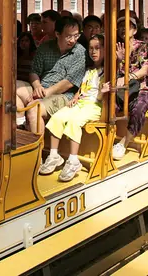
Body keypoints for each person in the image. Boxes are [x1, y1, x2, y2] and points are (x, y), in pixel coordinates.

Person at [40, 34, 110, 181]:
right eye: (91, 48)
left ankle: (73, 160)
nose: (93, 51)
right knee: (58, 117)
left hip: (94, 106)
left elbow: (100, 96)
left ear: (105, 49)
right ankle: (54, 155)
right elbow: (84, 87)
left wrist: (101, 93)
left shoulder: (108, 71)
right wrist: (76, 96)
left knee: (73, 122)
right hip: (80, 104)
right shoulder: (89, 69)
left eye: (98, 48)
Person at [15, 16, 86, 134]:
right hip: (41, 89)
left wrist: (44, 93)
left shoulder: (80, 52)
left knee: (34, 109)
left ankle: (37, 150)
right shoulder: (45, 47)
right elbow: (34, 72)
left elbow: (68, 83)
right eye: (69, 36)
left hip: (64, 95)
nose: (73, 40)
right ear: (57, 34)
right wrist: (37, 87)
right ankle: (21, 125)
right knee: (12, 87)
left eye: (76, 36)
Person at [111, 12, 148, 160]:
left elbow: (144, 69)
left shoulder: (142, 46)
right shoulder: (115, 46)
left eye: (128, 27)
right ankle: (106, 139)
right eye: (121, 26)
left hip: (140, 87)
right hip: (120, 88)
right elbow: (113, 71)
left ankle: (124, 142)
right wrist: (119, 60)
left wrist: (128, 77)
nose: (124, 29)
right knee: (109, 106)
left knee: (139, 107)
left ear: (135, 30)